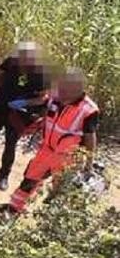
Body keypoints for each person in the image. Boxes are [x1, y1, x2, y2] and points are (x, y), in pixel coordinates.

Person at [9, 68, 99, 213]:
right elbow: (44, 103)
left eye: (64, 87)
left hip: (67, 157)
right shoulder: (56, 96)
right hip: (47, 148)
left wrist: (89, 164)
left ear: (76, 88)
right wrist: (25, 104)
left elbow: (90, 137)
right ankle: (14, 208)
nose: (60, 90)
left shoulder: (89, 110)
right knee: (30, 178)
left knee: (59, 189)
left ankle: (49, 218)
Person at [0, 42, 48, 191]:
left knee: (10, 144)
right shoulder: (11, 62)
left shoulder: (40, 73)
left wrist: (25, 102)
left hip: (18, 113)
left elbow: (43, 98)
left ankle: (3, 176)